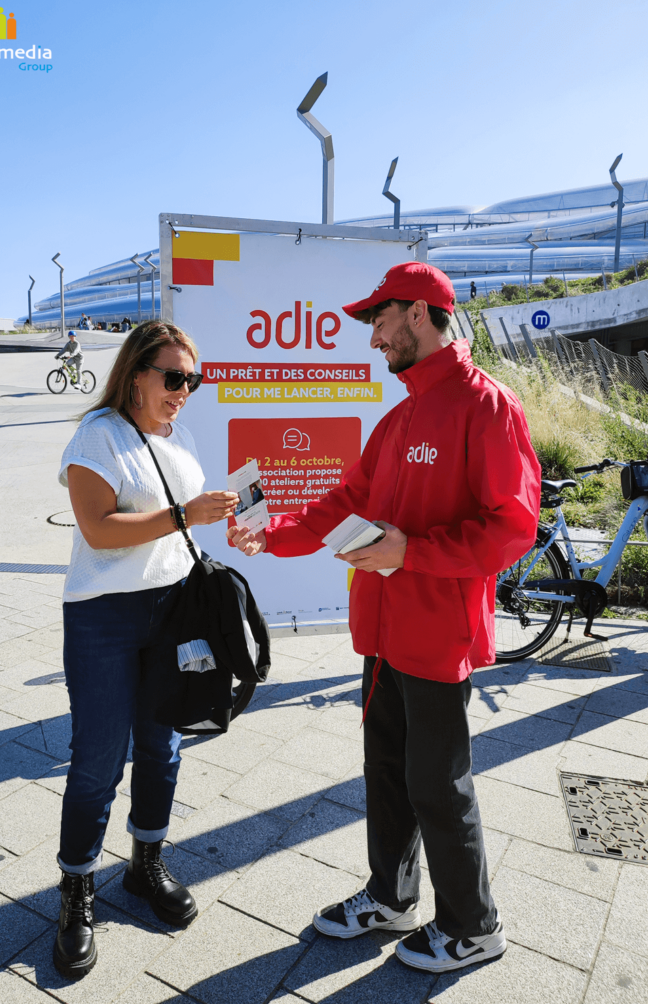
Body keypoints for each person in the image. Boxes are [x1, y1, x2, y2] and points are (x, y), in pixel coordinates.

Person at [228, 262, 540, 974]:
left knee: (437, 781)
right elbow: (345, 504)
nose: (372, 337)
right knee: (387, 771)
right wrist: (270, 535)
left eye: (380, 320)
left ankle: (473, 925)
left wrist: (413, 552)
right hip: (381, 632)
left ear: (421, 314)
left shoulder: (486, 405)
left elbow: (512, 528)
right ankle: (391, 898)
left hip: (436, 633)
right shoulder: (398, 416)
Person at [54, 320, 238, 980]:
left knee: (163, 749)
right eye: (173, 377)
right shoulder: (96, 437)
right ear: (136, 374)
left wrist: (222, 526)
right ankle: (77, 890)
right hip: (103, 618)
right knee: (99, 760)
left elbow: (177, 528)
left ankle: (145, 864)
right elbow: (100, 531)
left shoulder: (181, 439)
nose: (185, 390)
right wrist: (189, 514)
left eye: (193, 379)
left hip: (172, 611)